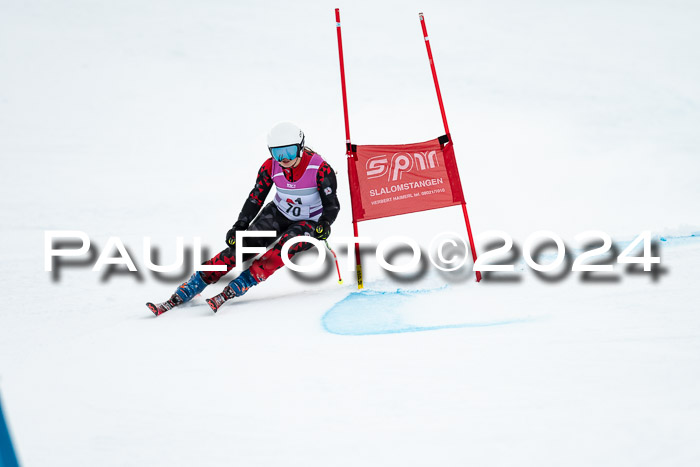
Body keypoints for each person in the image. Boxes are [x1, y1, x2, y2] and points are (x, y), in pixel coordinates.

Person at [147, 122, 340, 315]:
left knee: (282, 250)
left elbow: (332, 205)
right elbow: (256, 197)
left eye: (289, 152)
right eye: (277, 153)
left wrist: (325, 224)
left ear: (300, 147)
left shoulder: (320, 169)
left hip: (310, 222)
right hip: (278, 213)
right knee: (242, 247)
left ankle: (243, 282)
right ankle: (195, 283)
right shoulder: (270, 166)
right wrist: (240, 224)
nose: (284, 159)